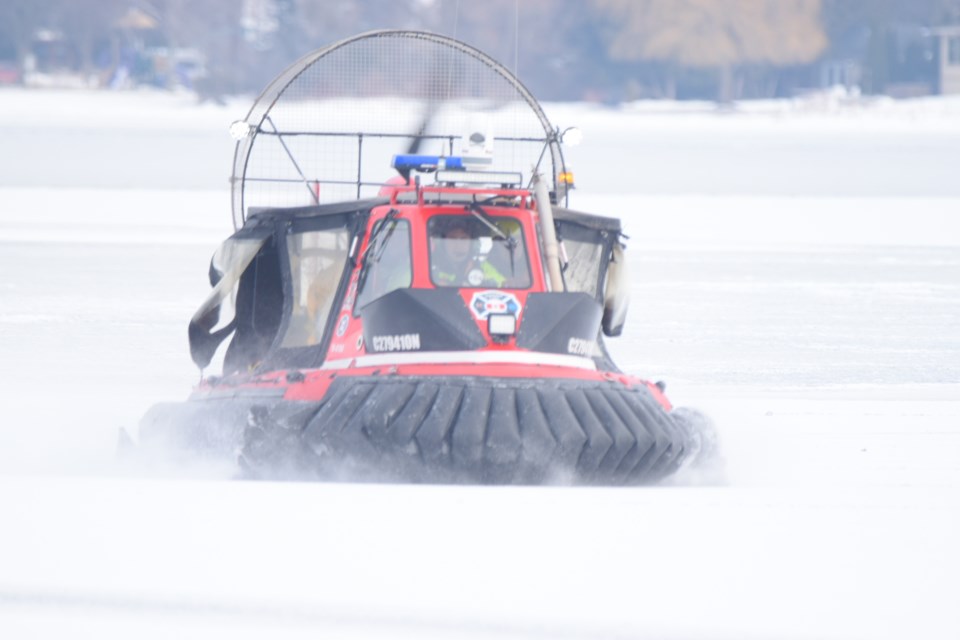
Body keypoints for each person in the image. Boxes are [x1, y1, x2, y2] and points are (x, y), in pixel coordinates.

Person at [431, 221, 506, 287]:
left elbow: (503, 284)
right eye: (452, 239)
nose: (458, 245)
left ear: (472, 244)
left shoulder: (483, 267)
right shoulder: (431, 268)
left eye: (464, 239)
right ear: (443, 244)